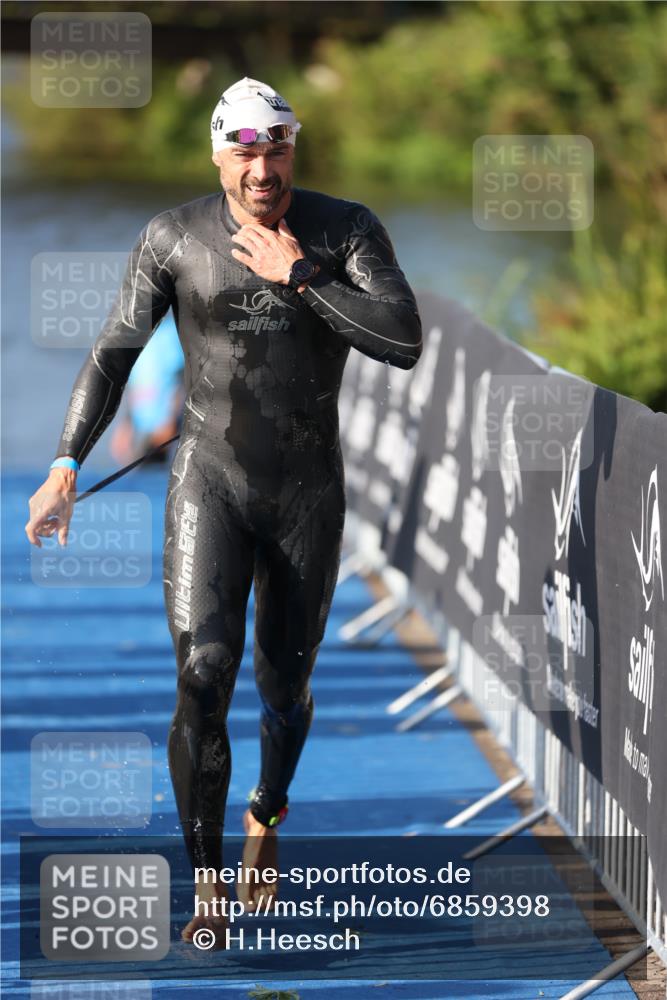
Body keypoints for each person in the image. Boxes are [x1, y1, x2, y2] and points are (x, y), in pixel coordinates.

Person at [25, 76, 423, 948]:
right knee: (203, 675)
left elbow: (402, 339)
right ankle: (205, 881)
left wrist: (303, 274)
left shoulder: (343, 229)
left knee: (285, 689)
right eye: (244, 148)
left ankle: (266, 812)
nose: (260, 166)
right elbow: (113, 352)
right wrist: (64, 465)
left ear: (293, 148)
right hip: (207, 479)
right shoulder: (173, 236)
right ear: (218, 153)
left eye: (276, 145)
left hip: (305, 492)